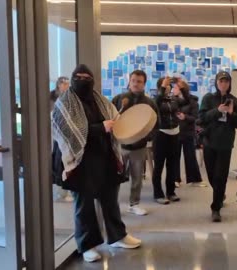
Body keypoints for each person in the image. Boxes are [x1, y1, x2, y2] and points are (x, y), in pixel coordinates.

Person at [51, 64, 141, 263]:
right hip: (79, 161)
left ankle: (117, 236)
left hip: (103, 158)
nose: (83, 80)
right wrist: (101, 127)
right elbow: (69, 131)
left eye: (86, 76)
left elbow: (114, 120)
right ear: (73, 79)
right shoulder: (64, 103)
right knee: (84, 205)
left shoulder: (100, 100)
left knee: (110, 198)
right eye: (78, 76)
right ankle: (86, 245)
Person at [199, 71, 237, 222]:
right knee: (212, 175)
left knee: (221, 176)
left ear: (230, 83)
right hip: (209, 141)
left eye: (226, 81)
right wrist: (217, 111)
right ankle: (220, 194)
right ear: (216, 82)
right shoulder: (208, 98)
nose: (223, 84)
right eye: (221, 81)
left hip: (225, 144)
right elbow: (201, 119)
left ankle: (216, 208)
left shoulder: (235, 101)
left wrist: (231, 114)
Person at [112, 70, 158, 216]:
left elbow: (156, 125)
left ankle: (134, 204)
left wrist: (146, 136)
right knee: (115, 177)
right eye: (133, 80)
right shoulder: (119, 99)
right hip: (120, 147)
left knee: (137, 177)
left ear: (144, 84)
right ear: (129, 81)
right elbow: (108, 119)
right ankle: (112, 205)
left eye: (139, 81)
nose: (135, 84)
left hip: (139, 147)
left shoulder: (149, 103)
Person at [152, 76, 181, 204]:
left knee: (172, 165)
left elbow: (182, 106)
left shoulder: (174, 99)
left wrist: (180, 85)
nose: (168, 87)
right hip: (161, 134)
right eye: (165, 85)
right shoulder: (155, 100)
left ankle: (171, 192)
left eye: (169, 85)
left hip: (175, 134)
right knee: (158, 166)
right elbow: (155, 104)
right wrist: (162, 87)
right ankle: (158, 194)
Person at [173, 79, 206, 187]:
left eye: (176, 87)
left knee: (190, 156)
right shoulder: (174, 101)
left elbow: (196, 118)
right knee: (175, 156)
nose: (174, 89)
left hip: (188, 132)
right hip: (176, 131)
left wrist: (185, 117)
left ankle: (194, 179)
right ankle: (175, 179)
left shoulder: (193, 101)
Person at [50, 76, 72, 202]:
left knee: (67, 162)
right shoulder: (51, 97)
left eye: (68, 84)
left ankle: (68, 190)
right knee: (58, 162)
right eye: (64, 84)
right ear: (59, 85)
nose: (66, 86)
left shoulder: (71, 98)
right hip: (56, 134)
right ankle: (61, 191)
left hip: (68, 135)